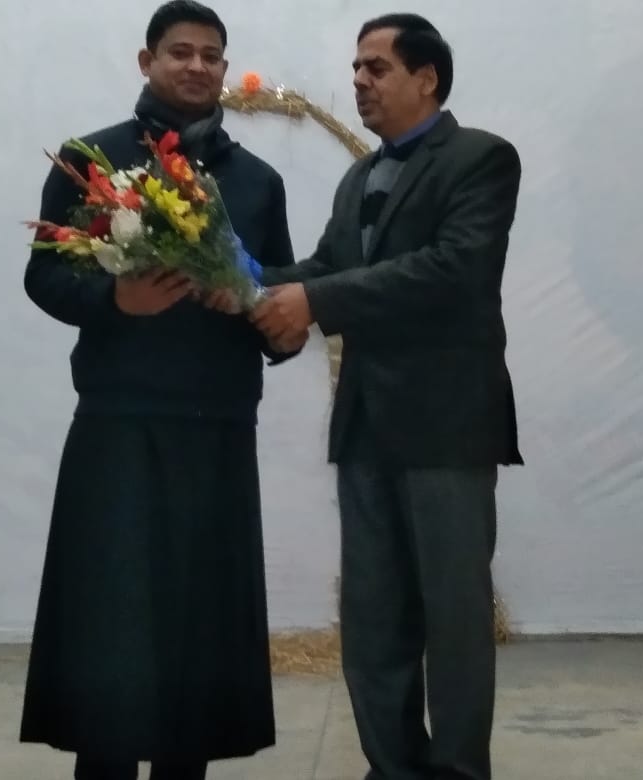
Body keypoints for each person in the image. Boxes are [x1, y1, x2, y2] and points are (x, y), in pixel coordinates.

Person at [18, 3, 305, 779]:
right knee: (111, 628)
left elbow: (278, 293)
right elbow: (44, 276)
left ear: (225, 69)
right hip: (120, 422)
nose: (197, 66)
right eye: (181, 52)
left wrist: (269, 322)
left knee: (199, 633)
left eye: (212, 55)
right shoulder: (92, 161)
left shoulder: (258, 181)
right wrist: (118, 300)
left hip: (218, 427)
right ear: (146, 61)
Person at [249, 13, 522, 780]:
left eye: (377, 67)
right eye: (357, 67)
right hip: (366, 425)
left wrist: (315, 300)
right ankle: (392, 768)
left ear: (426, 78)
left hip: (448, 427)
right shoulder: (358, 178)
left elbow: (452, 269)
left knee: (454, 618)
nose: (359, 81)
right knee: (372, 620)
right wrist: (235, 280)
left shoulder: (481, 159)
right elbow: (326, 269)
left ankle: (459, 771)